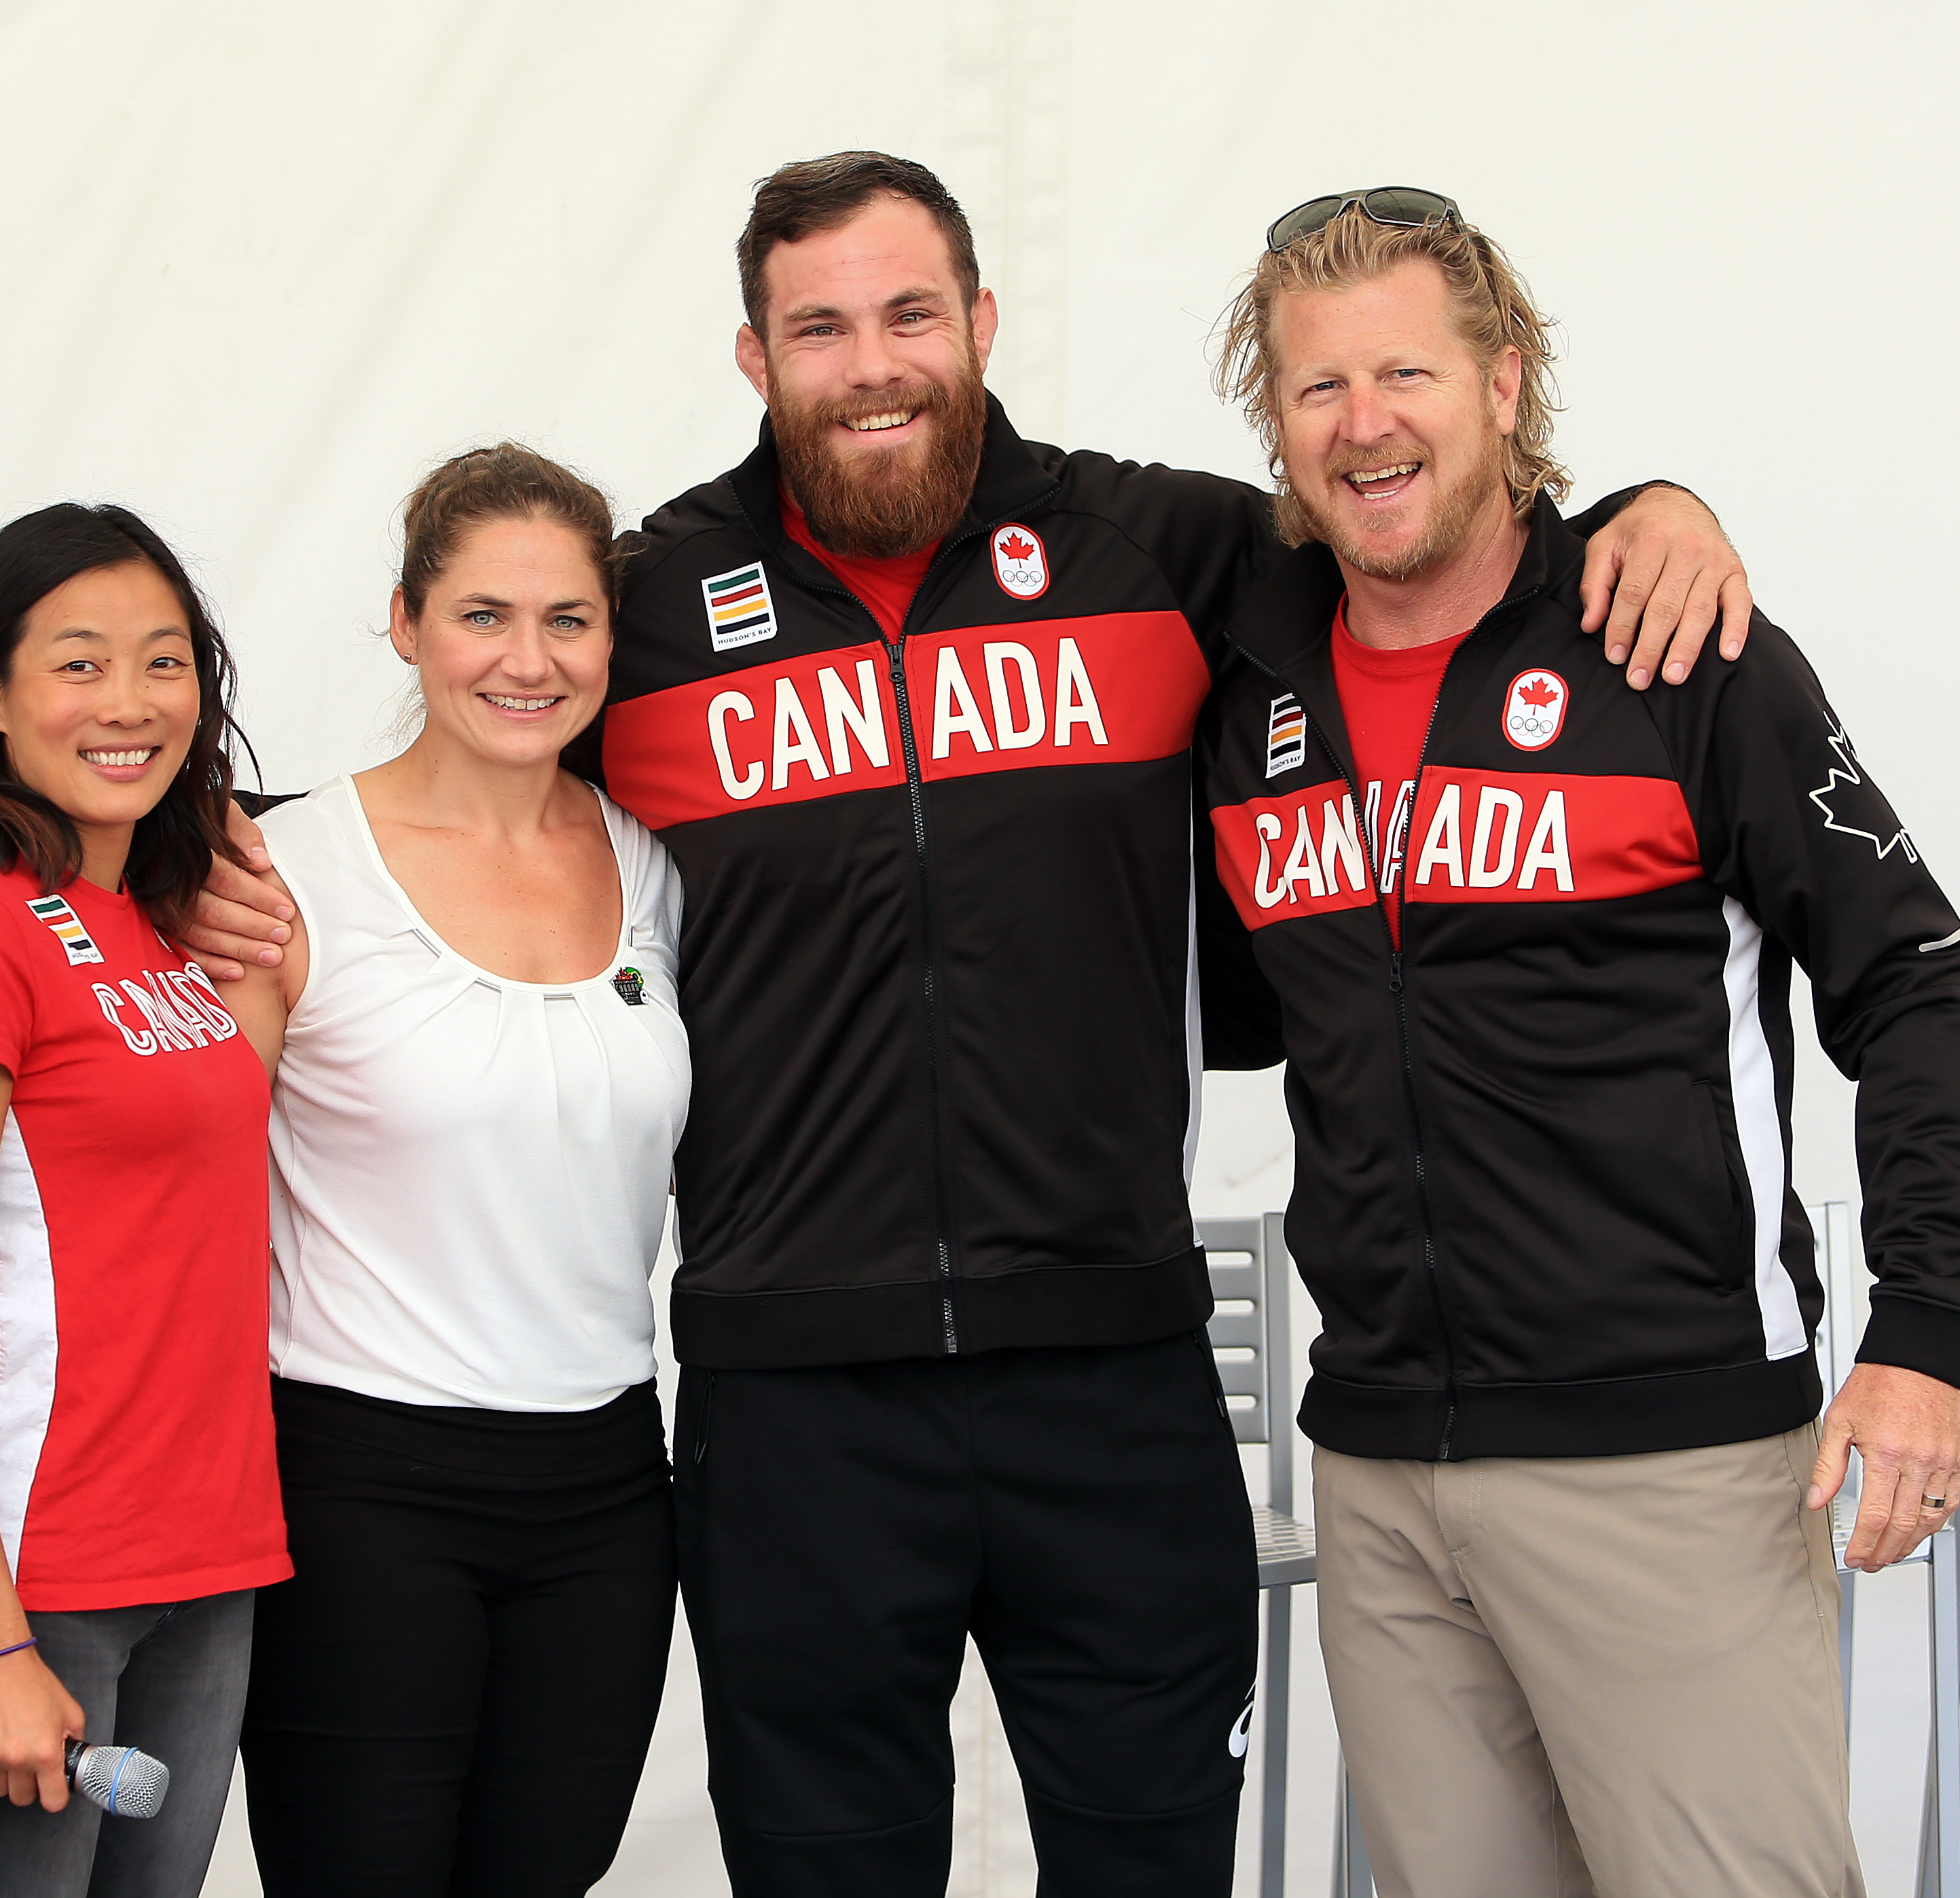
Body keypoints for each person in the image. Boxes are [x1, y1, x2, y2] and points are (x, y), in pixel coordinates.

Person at [192, 152, 1762, 1892]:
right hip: (793, 1408)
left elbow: (1414, 536)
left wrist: (1644, 504)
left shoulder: (1157, 549)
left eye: (907, 316)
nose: (869, 364)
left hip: (1111, 1378)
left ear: (980, 325)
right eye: (818, 328)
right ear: (752, 357)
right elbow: (457, 751)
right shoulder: (643, 610)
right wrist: (213, 856)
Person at [1195, 190, 1960, 1895]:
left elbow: (1914, 982)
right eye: (1316, 387)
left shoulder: (1675, 645)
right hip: (1384, 1470)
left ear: (1502, 382)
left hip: (1672, 1461)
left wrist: (1923, 1331)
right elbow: (1270, 1007)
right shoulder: (1247, 685)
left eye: (1405, 371)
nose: (1364, 425)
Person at [216, 447, 687, 1895]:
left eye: (568, 620)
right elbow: (182, 1186)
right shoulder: (279, 873)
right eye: (484, 615)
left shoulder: (660, 865)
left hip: (607, 1487)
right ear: (407, 620)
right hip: (360, 1486)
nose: (527, 660)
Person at [0, 503, 280, 1897]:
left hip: (205, 1552)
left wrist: (264, 915)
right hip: (35, 1581)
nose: (131, 703)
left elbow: (212, 1147)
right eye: (79, 663)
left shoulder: (150, 913)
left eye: (165, 661)